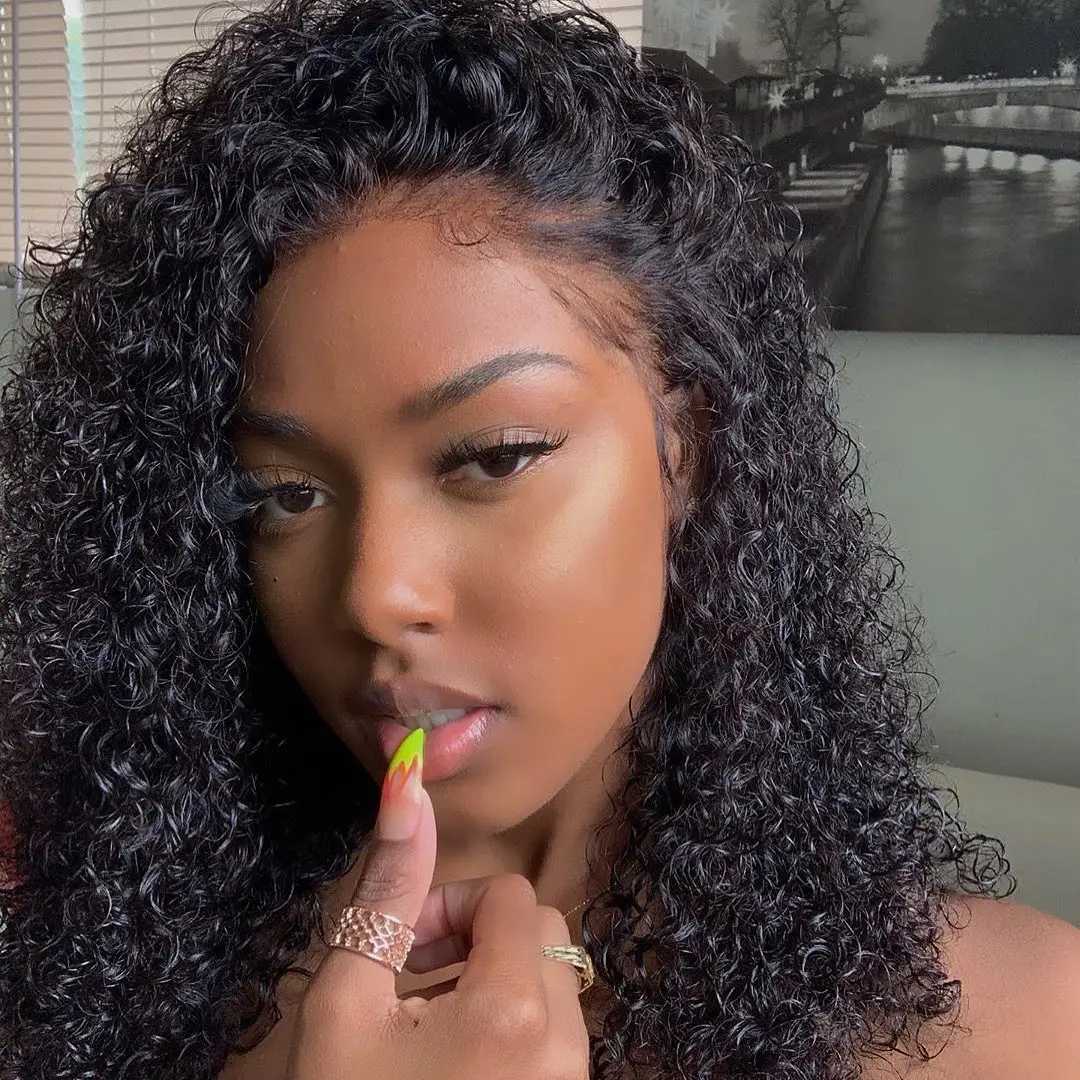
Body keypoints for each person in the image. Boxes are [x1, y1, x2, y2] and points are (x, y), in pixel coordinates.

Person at [0, 0, 1077, 1076]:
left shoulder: (1015, 1025)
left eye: (495, 457)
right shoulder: (124, 977)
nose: (374, 595)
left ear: (689, 447)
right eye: (282, 497)